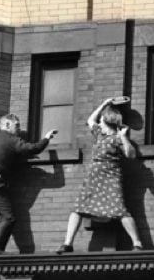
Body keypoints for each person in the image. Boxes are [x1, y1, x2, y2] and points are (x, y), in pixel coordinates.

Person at [56, 97, 143, 253]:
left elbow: (131, 155)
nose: (99, 123)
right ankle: (67, 244)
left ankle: (137, 243)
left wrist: (124, 138)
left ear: (108, 121)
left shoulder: (118, 138)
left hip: (111, 177)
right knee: (78, 208)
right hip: (94, 177)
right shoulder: (100, 135)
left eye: (102, 120)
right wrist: (104, 103)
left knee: (120, 210)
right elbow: (90, 119)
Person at [0, 113, 57, 255]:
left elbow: (4, 156)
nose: (19, 130)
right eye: (17, 125)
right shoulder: (11, 140)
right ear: (7, 125)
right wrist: (46, 138)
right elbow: (34, 148)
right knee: (8, 218)